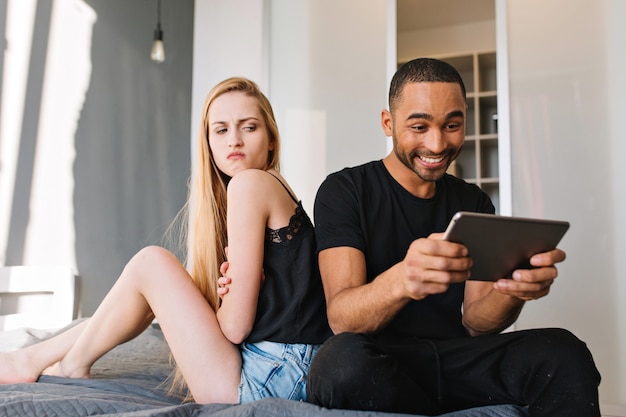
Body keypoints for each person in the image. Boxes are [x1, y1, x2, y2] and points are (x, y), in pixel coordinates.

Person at [0, 77, 331, 404]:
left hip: (270, 379)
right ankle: (38, 358)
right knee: (146, 288)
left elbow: (233, 329)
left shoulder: (248, 185)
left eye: (248, 127)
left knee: (151, 264)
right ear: (209, 144)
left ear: (271, 139)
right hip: (289, 370)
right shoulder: (275, 185)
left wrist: (228, 301)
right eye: (221, 130)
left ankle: (65, 363)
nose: (234, 140)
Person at [305, 58, 600, 416]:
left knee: (564, 351)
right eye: (419, 126)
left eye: (452, 125)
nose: (437, 143)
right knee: (338, 363)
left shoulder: (473, 201)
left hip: (454, 360)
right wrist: (403, 279)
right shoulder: (345, 190)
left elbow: (477, 323)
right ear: (388, 122)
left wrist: (512, 291)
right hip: (380, 359)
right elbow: (342, 319)